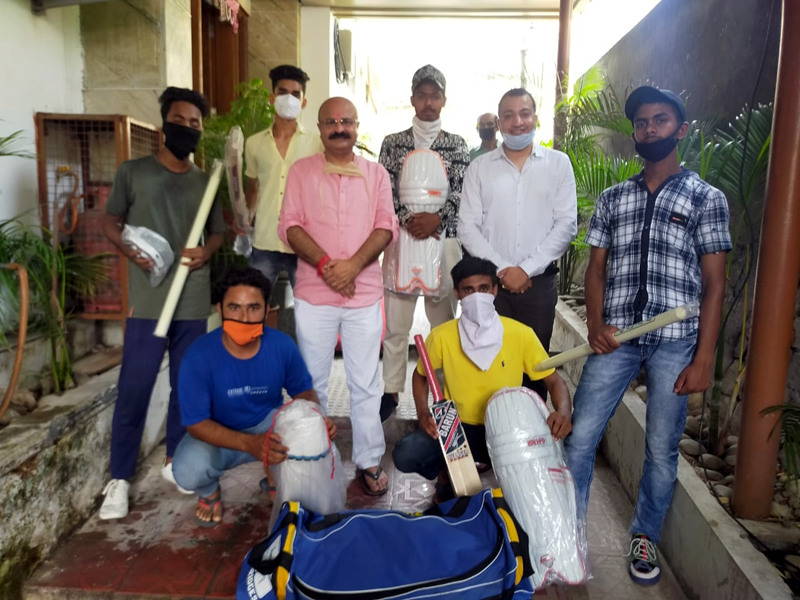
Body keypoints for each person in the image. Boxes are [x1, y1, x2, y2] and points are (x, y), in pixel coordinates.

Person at [563, 86, 731, 586]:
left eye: (660, 120)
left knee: (660, 449)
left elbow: (715, 284)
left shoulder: (707, 198)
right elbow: (596, 269)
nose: (649, 129)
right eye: (641, 122)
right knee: (580, 437)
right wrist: (595, 325)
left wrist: (703, 358)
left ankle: (644, 537)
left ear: (680, 130)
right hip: (615, 338)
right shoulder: (615, 198)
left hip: (675, 340)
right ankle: (565, 533)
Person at [99, 87, 225, 520]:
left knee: (185, 386)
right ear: (163, 125)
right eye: (180, 120)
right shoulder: (134, 173)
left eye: (195, 124)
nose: (186, 128)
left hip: (191, 300)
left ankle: (174, 461)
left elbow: (217, 233)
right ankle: (118, 479)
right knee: (135, 386)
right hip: (149, 300)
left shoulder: (207, 181)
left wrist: (205, 253)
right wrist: (127, 248)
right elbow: (110, 221)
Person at [278, 97, 399, 496]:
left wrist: (352, 267)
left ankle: (368, 460)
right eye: (330, 122)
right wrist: (330, 265)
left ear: (357, 125)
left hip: (363, 293)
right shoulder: (301, 172)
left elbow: (386, 227)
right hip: (315, 294)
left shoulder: (376, 174)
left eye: (346, 120)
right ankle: (315, 455)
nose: (339, 127)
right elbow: (290, 227)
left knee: (365, 382)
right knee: (312, 380)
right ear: (320, 127)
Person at [393, 256, 572, 502]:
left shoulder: (520, 334)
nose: (477, 296)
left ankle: (508, 481)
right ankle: (446, 474)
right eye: (468, 290)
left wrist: (563, 411)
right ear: (457, 293)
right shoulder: (443, 336)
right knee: (406, 454)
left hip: (507, 428)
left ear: (495, 290)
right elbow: (420, 375)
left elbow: (554, 380)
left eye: (484, 289)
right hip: (457, 428)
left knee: (529, 484)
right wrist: (423, 411)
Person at [170, 267, 337, 526]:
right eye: (234, 307)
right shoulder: (198, 356)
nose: (244, 317)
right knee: (188, 469)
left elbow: (304, 392)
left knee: (308, 436)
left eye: (254, 308)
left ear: (267, 309)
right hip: (219, 435)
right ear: (220, 309)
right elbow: (196, 423)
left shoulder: (281, 346)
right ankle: (210, 491)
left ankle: (274, 474)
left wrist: (316, 420)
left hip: (268, 427)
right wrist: (251, 444)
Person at [459, 88, 577, 402]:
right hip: (490, 288)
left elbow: (566, 225)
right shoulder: (479, 168)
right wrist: (503, 271)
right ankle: (487, 440)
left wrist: (524, 270)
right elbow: (466, 228)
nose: (518, 122)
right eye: (509, 116)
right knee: (486, 361)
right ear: (499, 123)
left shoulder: (558, 165)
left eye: (524, 114)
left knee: (535, 367)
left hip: (538, 287)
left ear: (535, 118)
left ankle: (530, 441)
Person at [379, 64, 470, 421]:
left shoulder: (457, 144)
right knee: (396, 326)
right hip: (402, 243)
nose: (428, 102)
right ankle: (390, 392)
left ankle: (441, 391)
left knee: (443, 324)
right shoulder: (393, 142)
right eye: (423, 94)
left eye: (435, 95)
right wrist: (408, 220)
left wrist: (437, 219)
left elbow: (463, 191)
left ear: (443, 100)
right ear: (413, 98)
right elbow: (384, 190)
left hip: (443, 241)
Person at [244, 65, 324, 294]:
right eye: (282, 92)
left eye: (295, 94)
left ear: (304, 102)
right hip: (265, 240)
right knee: (253, 302)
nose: (288, 99)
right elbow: (253, 188)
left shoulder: (317, 144)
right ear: (272, 98)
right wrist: (245, 223)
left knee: (309, 312)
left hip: (305, 243)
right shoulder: (254, 143)